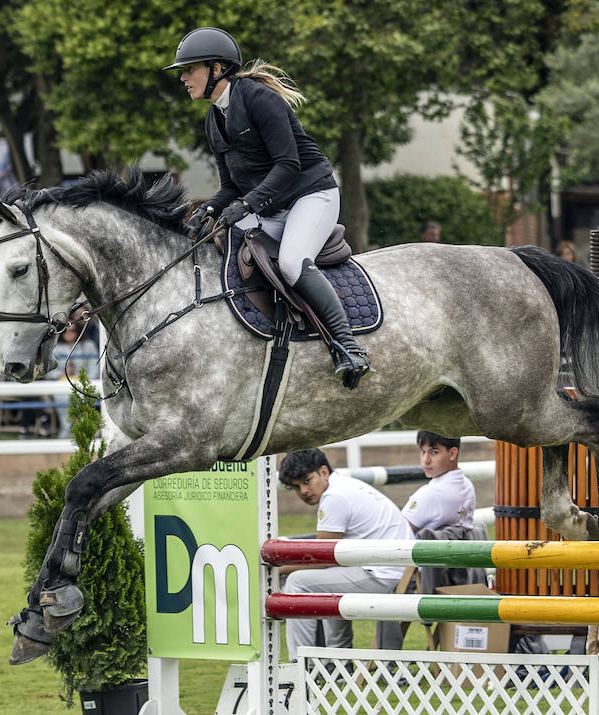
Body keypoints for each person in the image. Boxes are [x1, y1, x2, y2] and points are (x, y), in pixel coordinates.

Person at [168, 27, 371, 387]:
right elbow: (230, 186)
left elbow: (288, 165)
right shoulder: (213, 119)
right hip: (269, 206)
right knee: (221, 249)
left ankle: (350, 347)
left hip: (311, 196)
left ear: (216, 68)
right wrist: (209, 210)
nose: (183, 77)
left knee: (292, 262)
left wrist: (245, 205)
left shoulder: (259, 99)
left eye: (190, 69)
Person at [276, 448, 413, 659]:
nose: (303, 491)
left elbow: (321, 558)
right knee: (324, 581)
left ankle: (300, 663)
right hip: (397, 569)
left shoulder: (334, 497)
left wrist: (280, 567)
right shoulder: (344, 485)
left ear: (323, 471)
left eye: (306, 481)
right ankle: (339, 662)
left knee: (298, 582)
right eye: (296, 487)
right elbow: (326, 556)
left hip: (384, 574)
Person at [401, 431, 476, 532]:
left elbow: (397, 533)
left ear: (453, 453)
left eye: (434, 452)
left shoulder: (430, 494)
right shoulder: (467, 485)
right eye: (423, 451)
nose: (426, 460)